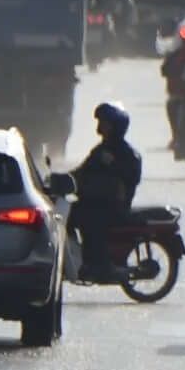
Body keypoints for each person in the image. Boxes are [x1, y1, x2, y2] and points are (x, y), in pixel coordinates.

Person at [68, 103, 142, 267]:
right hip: (96, 202)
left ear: (115, 126)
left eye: (105, 122)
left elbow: (126, 180)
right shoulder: (101, 150)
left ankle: (101, 264)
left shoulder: (127, 154)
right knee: (69, 213)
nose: (100, 126)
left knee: (88, 219)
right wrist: (62, 179)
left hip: (113, 208)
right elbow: (83, 170)